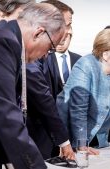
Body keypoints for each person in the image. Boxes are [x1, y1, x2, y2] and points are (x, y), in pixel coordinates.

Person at [0, 3, 65, 169]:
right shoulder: (2, 42)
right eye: (50, 49)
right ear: (38, 32)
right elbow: (7, 116)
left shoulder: (5, 38)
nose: (45, 56)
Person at [57, 29, 110, 152]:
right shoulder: (85, 65)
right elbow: (78, 110)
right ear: (105, 55)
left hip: (99, 135)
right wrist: (82, 144)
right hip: (71, 134)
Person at [26, 0, 79, 160]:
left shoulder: (46, 52)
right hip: (32, 135)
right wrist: (64, 142)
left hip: (48, 135)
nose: (68, 30)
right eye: (67, 24)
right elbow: (43, 98)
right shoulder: (31, 53)